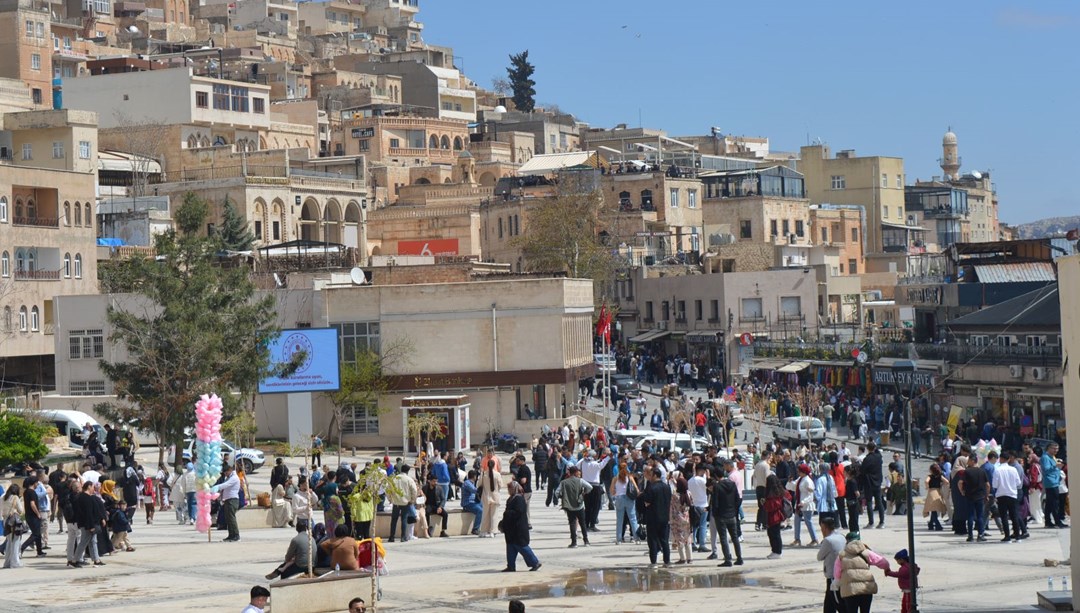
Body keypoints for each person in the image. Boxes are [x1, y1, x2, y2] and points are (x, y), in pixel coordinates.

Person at [834, 532, 890, 613]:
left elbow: (837, 574)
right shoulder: (866, 552)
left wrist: (838, 583)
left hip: (850, 590)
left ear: (847, 541)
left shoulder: (841, 555)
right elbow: (884, 562)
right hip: (866, 588)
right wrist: (886, 569)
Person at [500, 481, 541, 572]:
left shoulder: (519, 499)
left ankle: (535, 562)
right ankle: (511, 566)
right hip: (511, 529)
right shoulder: (511, 499)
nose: (509, 490)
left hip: (518, 529)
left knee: (522, 546)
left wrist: (507, 514)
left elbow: (519, 512)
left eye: (510, 488)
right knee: (510, 547)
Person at [711, 459, 743, 566]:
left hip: (721, 515)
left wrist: (715, 514)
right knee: (735, 537)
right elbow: (737, 499)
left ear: (716, 476)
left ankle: (728, 559)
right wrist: (734, 510)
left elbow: (715, 502)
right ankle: (739, 557)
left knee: (723, 538)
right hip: (731, 514)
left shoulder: (717, 486)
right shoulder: (732, 484)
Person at [555, 465, 592, 547]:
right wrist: (584, 493)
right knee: (582, 523)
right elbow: (590, 487)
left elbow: (556, 492)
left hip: (569, 506)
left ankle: (574, 542)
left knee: (572, 523)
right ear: (576, 472)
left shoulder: (564, 482)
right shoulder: (580, 481)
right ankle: (586, 541)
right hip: (579, 505)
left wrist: (562, 496)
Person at [642, 466, 672, 566]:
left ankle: (653, 562)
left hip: (653, 517)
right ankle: (667, 561)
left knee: (653, 540)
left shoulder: (651, 487)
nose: (649, 477)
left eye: (650, 475)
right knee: (664, 540)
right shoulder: (667, 487)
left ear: (655, 475)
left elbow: (647, 501)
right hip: (665, 517)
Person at [994, 451, 1026, 542]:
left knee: (1004, 516)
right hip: (1012, 494)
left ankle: (1007, 537)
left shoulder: (997, 470)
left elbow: (995, 484)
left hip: (1001, 494)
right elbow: (1018, 483)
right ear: (1008, 459)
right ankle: (1017, 536)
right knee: (1014, 515)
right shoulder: (1013, 469)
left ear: (1001, 459)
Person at [959, 455, 990, 542]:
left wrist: (962, 491)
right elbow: (988, 485)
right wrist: (987, 495)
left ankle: (970, 536)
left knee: (970, 516)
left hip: (969, 496)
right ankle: (980, 535)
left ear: (973, 461)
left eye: (969, 460)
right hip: (980, 496)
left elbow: (960, 482)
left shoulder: (967, 471)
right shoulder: (982, 471)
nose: (967, 462)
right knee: (980, 516)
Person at [611, 462, 640, 545]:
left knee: (619, 520)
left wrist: (616, 492)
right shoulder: (630, 477)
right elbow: (636, 489)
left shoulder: (615, 478)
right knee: (633, 519)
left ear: (618, 469)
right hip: (629, 498)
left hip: (619, 498)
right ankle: (636, 538)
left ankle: (619, 539)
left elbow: (612, 491)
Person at [387, 465, 418, 543]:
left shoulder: (394, 478)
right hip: (405, 502)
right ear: (408, 471)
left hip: (396, 502)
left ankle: (391, 537)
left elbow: (388, 489)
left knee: (394, 520)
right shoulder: (409, 479)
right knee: (404, 519)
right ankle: (403, 537)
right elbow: (414, 490)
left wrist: (390, 499)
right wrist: (412, 500)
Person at [791, 463, 818, 547]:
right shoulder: (800, 479)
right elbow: (793, 486)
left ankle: (814, 539)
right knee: (796, 521)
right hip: (799, 504)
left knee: (808, 521)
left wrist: (804, 502)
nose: (798, 473)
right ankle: (797, 539)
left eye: (799, 471)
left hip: (806, 505)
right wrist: (789, 482)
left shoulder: (808, 481)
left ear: (804, 472)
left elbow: (811, 495)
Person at [885, 549, 920, 613]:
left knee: (907, 605)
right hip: (910, 590)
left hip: (907, 590)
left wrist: (888, 573)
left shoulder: (904, 568)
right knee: (907, 604)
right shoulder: (911, 565)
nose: (897, 562)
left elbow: (898, 574)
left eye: (897, 560)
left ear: (901, 559)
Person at [1042, 443, 1067, 528]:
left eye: (1057, 448)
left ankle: (1048, 521)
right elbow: (1046, 469)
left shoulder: (1052, 456)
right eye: (1054, 448)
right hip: (1051, 482)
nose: (1056, 450)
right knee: (1055, 503)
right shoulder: (1045, 457)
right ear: (1048, 448)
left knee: (1049, 503)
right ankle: (1057, 521)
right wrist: (1056, 466)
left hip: (1054, 481)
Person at [214, 463, 242, 542]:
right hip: (227, 500)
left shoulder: (234, 478)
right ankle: (231, 535)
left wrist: (217, 487)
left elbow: (225, 485)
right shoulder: (229, 477)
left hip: (232, 500)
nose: (225, 474)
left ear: (230, 470)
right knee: (228, 519)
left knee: (231, 518)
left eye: (226, 472)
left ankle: (236, 535)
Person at [763, 474, 789, 559]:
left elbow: (772, 506)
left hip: (775, 516)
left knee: (775, 534)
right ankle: (774, 550)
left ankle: (777, 551)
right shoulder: (779, 491)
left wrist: (765, 504)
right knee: (772, 533)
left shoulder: (773, 493)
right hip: (775, 515)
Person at [861, 443, 885, 529]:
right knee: (879, 502)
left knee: (869, 502)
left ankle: (871, 523)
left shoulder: (867, 459)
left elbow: (862, 470)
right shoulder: (878, 457)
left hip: (869, 483)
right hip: (877, 482)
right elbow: (879, 453)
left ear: (867, 448)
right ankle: (882, 522)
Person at [479, 459, 504, 538]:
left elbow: (479, 484)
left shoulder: (483, 474)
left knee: (485, 515)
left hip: (486, 497)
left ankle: (483, 531)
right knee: (494, 515)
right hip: (495, 497)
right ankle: (493, 531)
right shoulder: (497, 474)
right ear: (494, 465)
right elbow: (501, 485)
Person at [3, 484, 25, 568]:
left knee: (9, 542)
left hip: (6, 521)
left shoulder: (3, 498)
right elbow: (20, 510)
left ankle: (7, 562)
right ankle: (15, 562)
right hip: (13, 521)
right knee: (15, 541)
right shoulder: (15, 498)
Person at [922, 463, 948, 531]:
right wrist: (941, 484)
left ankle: (937, 525)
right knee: (934, 509)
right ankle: (931, 524)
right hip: (938, 492)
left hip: (931, 492)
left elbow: (926, 481)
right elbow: (947, 482)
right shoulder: (940, 476)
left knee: (933, 510)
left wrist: (927, 487)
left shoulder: (930, 476)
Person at [461, 470, 484, 535]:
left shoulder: (471, 483)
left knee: (485, 507)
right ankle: (475, 529)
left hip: (474, 502)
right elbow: (474, 490)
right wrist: (482, 487)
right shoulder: (467, 483)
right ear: (474, 476)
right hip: (468, 503)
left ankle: (484, 527)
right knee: (480, 511)